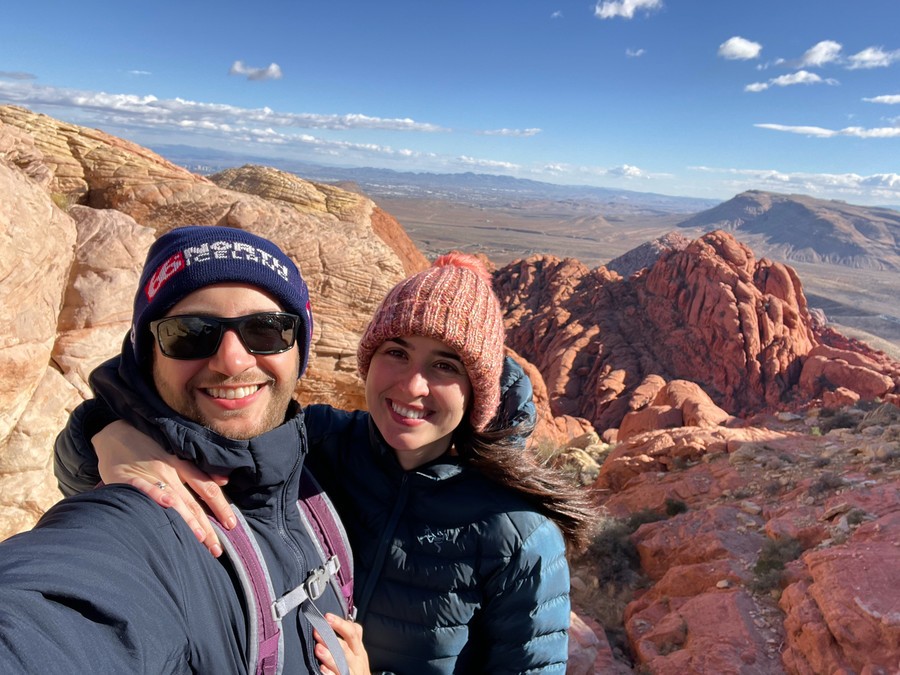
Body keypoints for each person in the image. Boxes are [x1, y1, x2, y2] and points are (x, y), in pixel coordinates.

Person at [55, 251, 597, 674]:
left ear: (476, 390)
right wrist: (105, 435)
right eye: (396, 352)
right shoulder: (314, 440)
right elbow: (170, 437)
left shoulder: (520, 535)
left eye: (445, 365)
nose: (412, 385)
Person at [0, 225, 351, 674]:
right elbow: (48, 619)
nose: (232, 360)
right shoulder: (140, 522)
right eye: (190, 332)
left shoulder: (326, 457)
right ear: (148, 354)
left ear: (299, 344)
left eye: (266, 330)